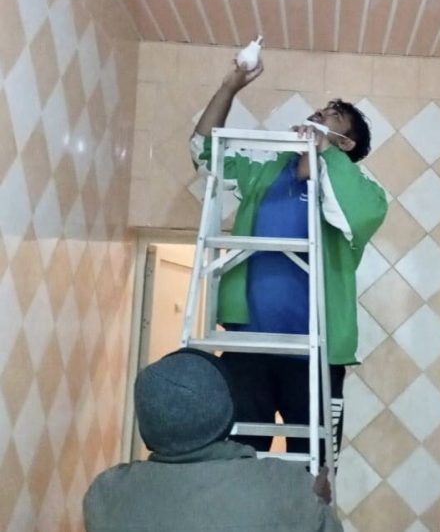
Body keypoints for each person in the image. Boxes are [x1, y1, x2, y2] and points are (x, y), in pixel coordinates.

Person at [190, 59, 388, 465]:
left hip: (316, 358)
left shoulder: (362, 189)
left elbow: (359, 215)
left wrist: (324, 153)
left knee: (315, 474)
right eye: (319, 111)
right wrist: (229, 87)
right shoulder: (266, 172)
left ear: (345, 144)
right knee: (235, 469)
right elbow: (204, 153)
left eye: (332, 116)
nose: (318, 115)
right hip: (249, 348)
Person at [83, 349, 342, 532]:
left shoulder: (106, 495)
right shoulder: (288, 486)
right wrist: (317, 506)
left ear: (145, 426)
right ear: (227, 415)